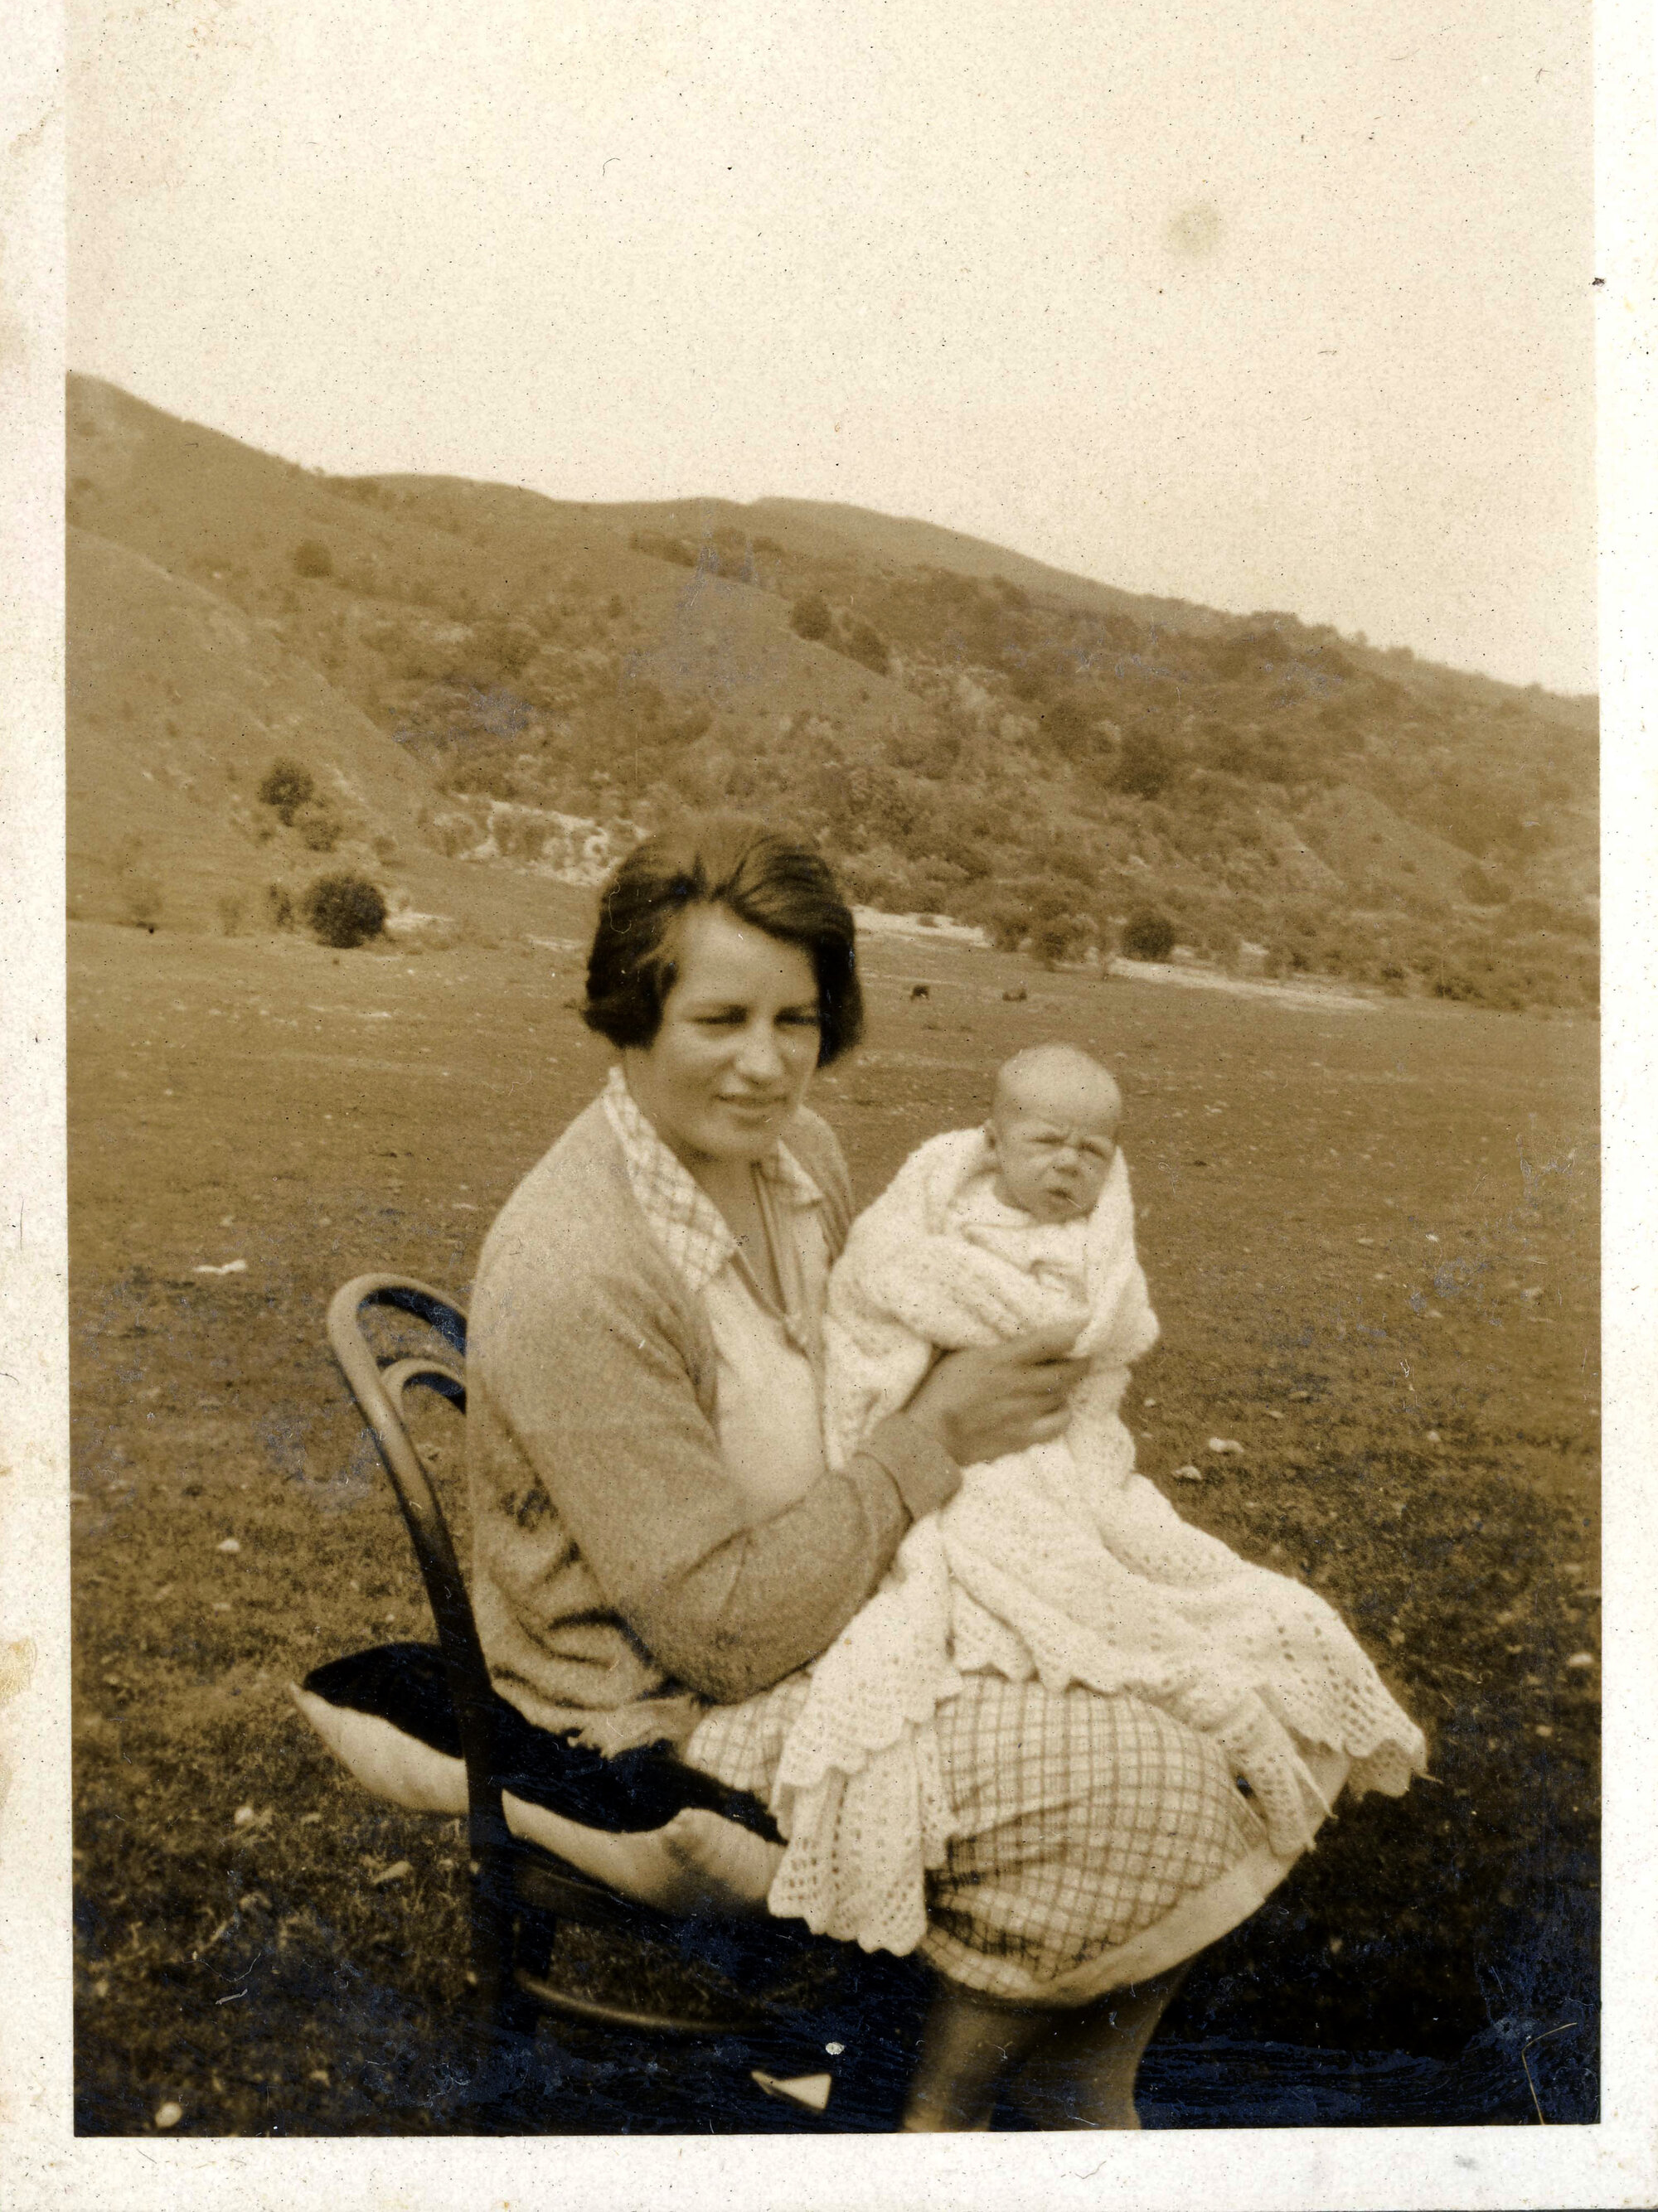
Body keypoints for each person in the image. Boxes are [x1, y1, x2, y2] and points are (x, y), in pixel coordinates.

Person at [463, 817, 1346, 2129]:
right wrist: (936, 1433)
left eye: (798, 1018)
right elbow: (719, 1630)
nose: (767, 1066)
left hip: (830, 1590)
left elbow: (879, 1348)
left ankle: (1049, 2070)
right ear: (630, 1013)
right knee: (1144, 1774)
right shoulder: (578, 1263)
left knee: (1249, 1666)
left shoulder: (794, 1160)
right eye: (720, 1017)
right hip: (643, 1702)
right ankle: (936, 2110)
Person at [754, 1042, 1425, 1963]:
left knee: (1186, 1573)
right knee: (1038, 1569)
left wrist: (1058, 1344)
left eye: (1092, 1153)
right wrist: (954, 1353)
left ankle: (1238, 1683)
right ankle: (1197, 1691)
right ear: (990, 1143)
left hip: (1063, 1454)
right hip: (954, 1454)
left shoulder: (1092, 1244)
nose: (1067, 1167)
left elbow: (1110, 1329)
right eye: (1045, 1143)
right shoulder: (943, 1213)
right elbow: (877, 1290)